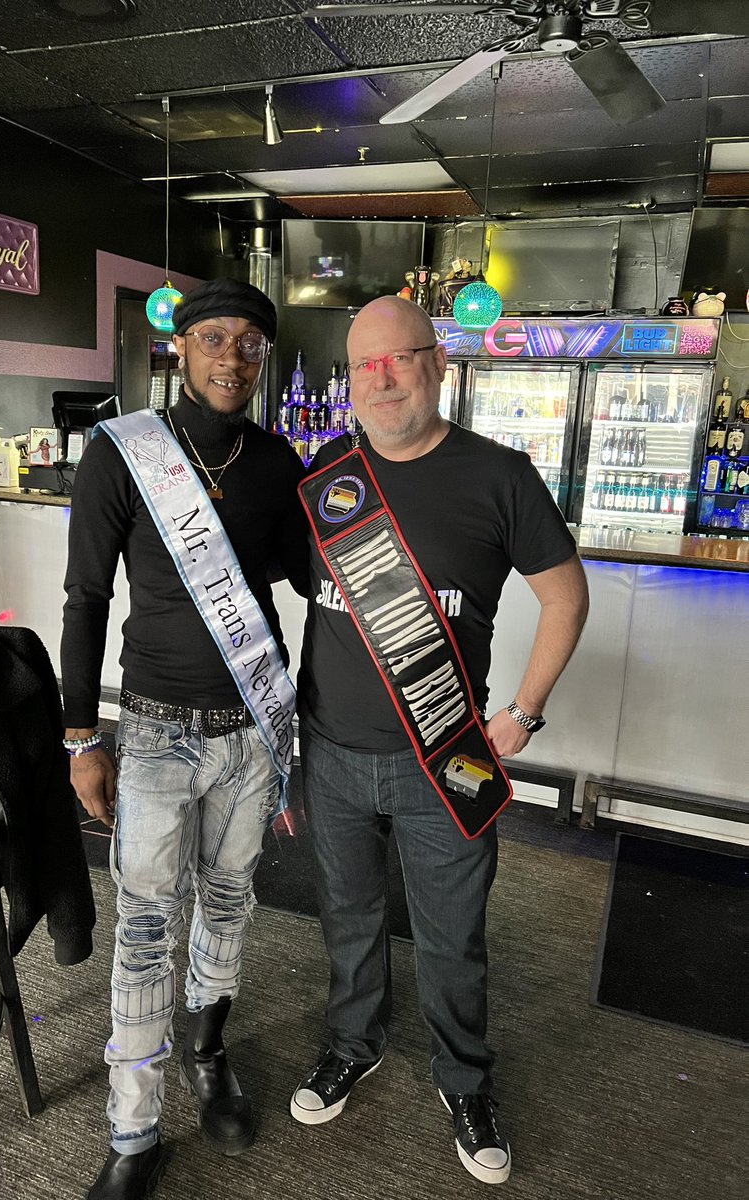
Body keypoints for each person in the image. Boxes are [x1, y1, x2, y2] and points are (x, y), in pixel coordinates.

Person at [290, 295, 589, 1186]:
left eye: (398, 359)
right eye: (362, 365)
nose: (380, 379)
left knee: (452, 936)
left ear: (438, 364)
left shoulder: (499, 476)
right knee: (348, 916)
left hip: (446, 758)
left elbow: (566, 598)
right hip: (331, 752)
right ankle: (353, 1043)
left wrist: (523, 713)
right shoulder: (326, 477)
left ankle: (464, 1081)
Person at [61, 279, 308, 1200]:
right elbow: (84, 600)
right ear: (181, 348)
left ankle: (208, 1053)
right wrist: (79, 737)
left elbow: (308, 578)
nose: (231, 358)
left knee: (232, 899)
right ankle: (132, 1134)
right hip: (157, 731)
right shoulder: (124, 454)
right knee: (146, 929)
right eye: (214, 339)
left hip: (251, 730)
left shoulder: (279, 461)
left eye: (250, 343)